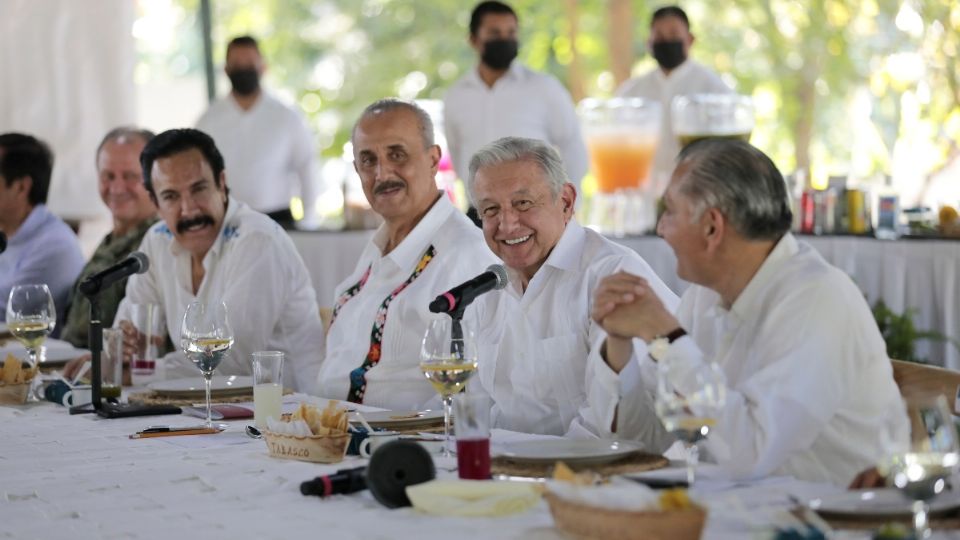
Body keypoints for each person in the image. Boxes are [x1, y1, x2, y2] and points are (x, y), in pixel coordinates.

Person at [592, 138, 909, 486]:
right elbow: (649, 439)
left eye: (670, 211)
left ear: (712, 227)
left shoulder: (817, 299)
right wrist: (619, 342)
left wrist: (666, 336)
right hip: (737, 513)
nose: (662, 228)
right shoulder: (704, 294)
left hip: (835, 521)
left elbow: (751, 455)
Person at [467, 136, 678, 437]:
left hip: (591, 474)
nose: (507, 223)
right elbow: (477, 404)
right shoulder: (490, 286)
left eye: (522, 203)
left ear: (565, 201)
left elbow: (616, 421)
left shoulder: (612, 275)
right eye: (490, 210)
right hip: (507, 470)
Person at [317, 99, 499, 409]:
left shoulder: (465, 254)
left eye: (396, 155)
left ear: (433, 159)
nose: (382, 173)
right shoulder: (378, 247)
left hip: (400, 444)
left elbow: (474, 392)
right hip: (327, 435)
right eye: (367, 160)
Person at [114, 128, 322, 391]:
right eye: (171, 196)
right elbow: (128, 329)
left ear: (221, 184)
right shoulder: (157, 240)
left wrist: (141, 374)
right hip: (210, 409)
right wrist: (121, 350)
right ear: (155, 204)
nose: (189, 209)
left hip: (293, 413)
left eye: (198, 189)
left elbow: (231, 361)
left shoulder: (257, 239)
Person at [443, 1, 588, 197]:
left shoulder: (544, 87)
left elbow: (573, 146)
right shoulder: (456, 96)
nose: (504, 39)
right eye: (495, 33)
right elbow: (457, 152)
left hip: (534, 207)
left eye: (511, 33)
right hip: (478, 212)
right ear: (474, 40)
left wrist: (568, 205)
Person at [196, 35, 320, 230]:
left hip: (279, 221)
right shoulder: (209, 120)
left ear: (263, 67)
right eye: (237, 64)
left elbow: (307, 167)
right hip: (225, 222)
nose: (243, 69)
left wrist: (309, 220)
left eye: (250, 63)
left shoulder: (286, 116)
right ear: (226, 69)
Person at [615, 6, 732, 191]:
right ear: (649, 42)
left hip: (697, 194)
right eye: (659, 36)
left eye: (673, 33)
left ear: (690, 39)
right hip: (642, 195)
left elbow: (727, 154)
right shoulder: (630, 93)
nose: (666, 40)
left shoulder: (715, 91)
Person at [61, 127, 159, 348]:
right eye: (108, 176)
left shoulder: (159, 243)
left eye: (130, 176)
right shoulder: (111, 240)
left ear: (156, 179)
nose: (116, 187)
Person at [0, 133, 84, 329]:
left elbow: (10, 311)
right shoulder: (7, 233)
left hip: (34, 357)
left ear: (21, 187)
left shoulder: (55, 244)